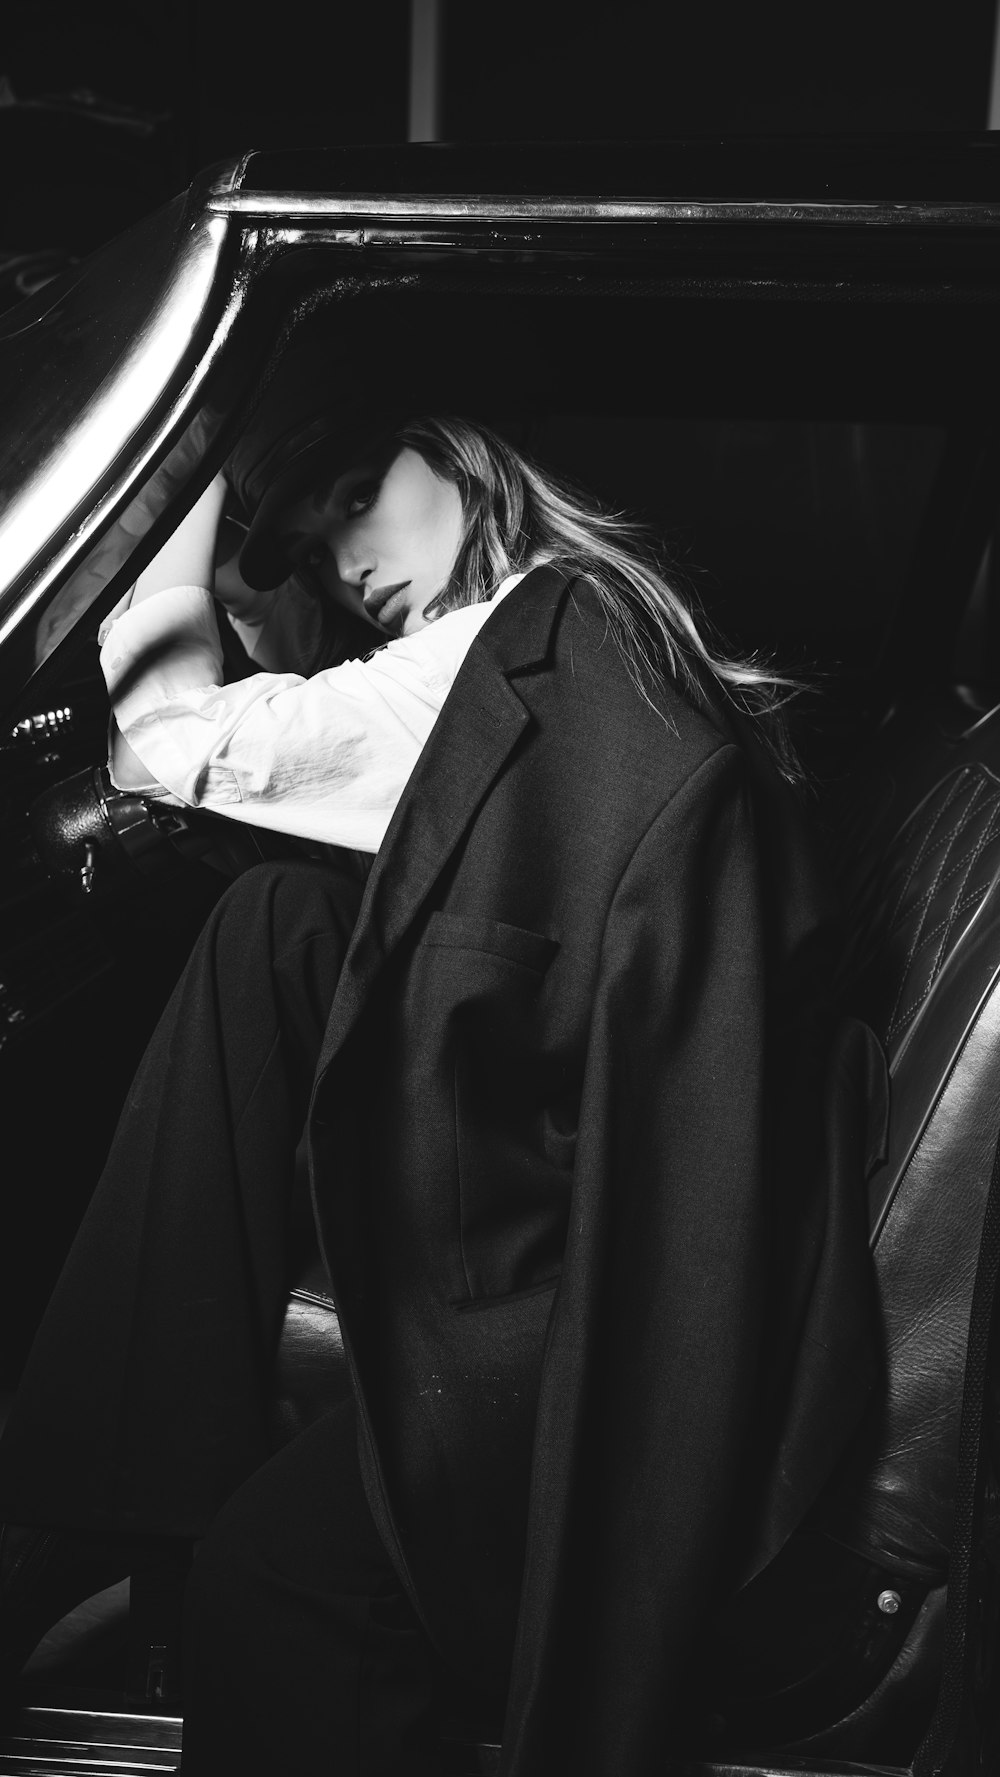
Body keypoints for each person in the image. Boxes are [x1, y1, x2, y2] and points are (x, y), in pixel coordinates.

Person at [0, 349, 882, 1776]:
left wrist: (184, 475)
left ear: (460, 458)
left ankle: (115, 1498)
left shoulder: (499, 663)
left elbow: (172, 747)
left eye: (362, 494)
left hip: (595, 1265)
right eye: (310, 543)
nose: (348, 562)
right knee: (277, 922)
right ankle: (115, 1481)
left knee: (268, 1589)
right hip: (544, 1148)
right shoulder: (538, 641)